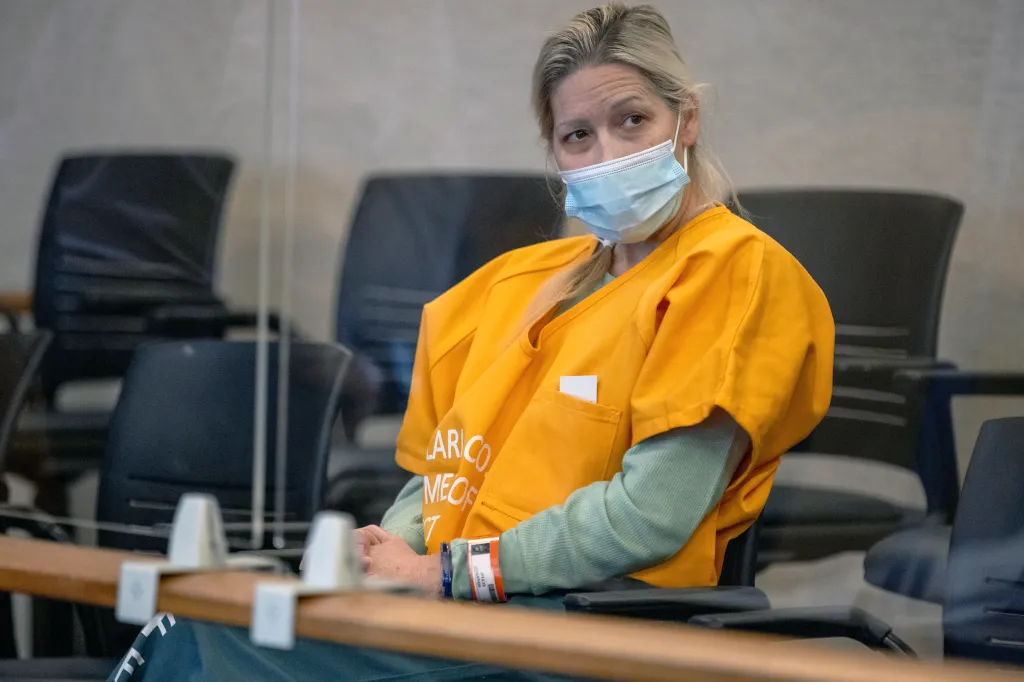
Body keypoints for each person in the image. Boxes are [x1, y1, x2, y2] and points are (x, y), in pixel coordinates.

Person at [108, 4, 833, 680]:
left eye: (633, 120)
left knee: (215, 640)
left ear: (687, 120)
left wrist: (446, 573)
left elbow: (650, 517)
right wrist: (389, 549)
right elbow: (444, 470)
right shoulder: (520, 283)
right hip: (463, 598)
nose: (606, 154)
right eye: (578, 135)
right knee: (212, 612)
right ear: (553, 151)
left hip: (589, 618)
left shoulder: (734, 273)